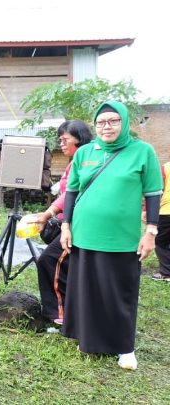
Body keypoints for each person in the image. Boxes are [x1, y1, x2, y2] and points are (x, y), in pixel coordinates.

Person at [60, 101, 162, 370]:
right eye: (102, 122)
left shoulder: (143, 152)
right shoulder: (84, 153)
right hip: (83, 234)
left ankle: (124, 347)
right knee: (87, 290)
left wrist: (151, 231)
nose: (107, 126)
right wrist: (65, 225)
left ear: (124, 122)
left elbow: (153, 193)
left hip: (121, 238)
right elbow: (71, 192)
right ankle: (90, 339)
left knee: (119, 292)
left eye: (113, 121)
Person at [33, 121, 93, 324]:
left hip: (78, 224)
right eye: (60, 140)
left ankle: (59, 314)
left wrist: (48, 213)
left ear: (80, 139)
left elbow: (71, 194)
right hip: (69, 222)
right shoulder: (75, 160)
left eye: (65, 139)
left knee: (49, 260)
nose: (61, 144)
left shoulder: (86, 161)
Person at [153, 161, 170, 282]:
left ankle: (166, 273)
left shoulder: (166, 167)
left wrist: (146, 210)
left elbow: (157, 189)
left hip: (167, 212)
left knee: (159, 242)